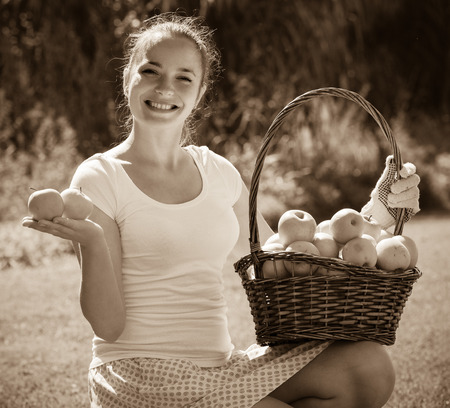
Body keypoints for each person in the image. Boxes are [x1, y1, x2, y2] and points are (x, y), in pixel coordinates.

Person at [22, 13, 420, 408]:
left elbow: (281, 259)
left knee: (369, 367)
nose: (165, 88)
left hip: (219, 368)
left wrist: (375, 217)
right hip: (139, 374)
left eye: (184, 77)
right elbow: (108, 327)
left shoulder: (217, 171)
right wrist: (91, 241)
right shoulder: (98, 177)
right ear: (128, 76)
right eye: (151, 71)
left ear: (200, 92)